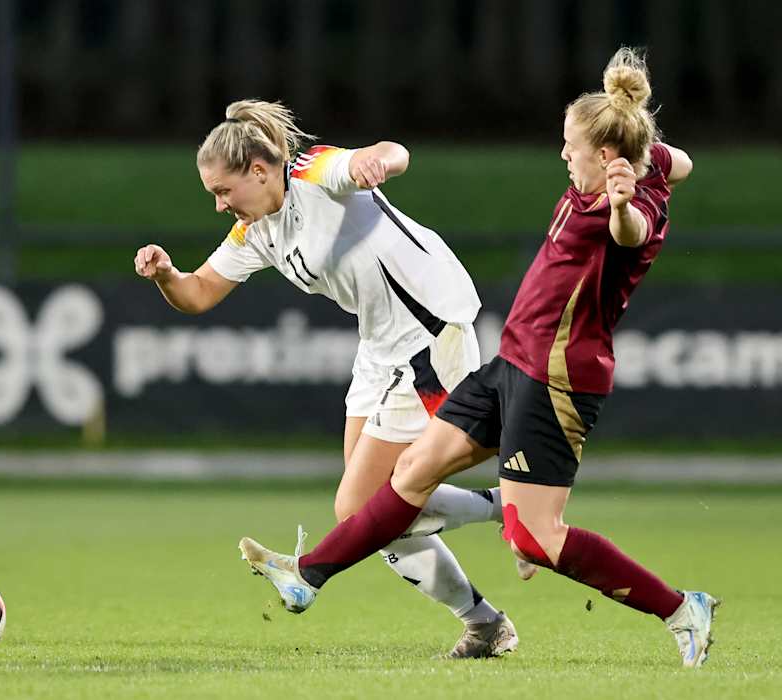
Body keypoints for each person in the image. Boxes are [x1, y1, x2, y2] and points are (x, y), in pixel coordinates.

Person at [239, 49, 720, 669]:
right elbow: (678, 160)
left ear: (604, 157)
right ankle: (309, 575)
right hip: (510, 364)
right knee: (410, 472)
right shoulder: (635, 169)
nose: (563, 154)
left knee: (536, 539)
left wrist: (626, 202)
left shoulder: (632, 207)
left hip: (557, 382)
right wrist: (651, 158)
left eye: (570, 145)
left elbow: (629, 234)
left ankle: (683, 608)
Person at [134, 99, 517, 658]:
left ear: (260, 172)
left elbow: (392, 152)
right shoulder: (257, 229)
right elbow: (197, 293)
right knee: (367, 514)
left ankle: (490, 593)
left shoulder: (312, 173)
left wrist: (376, 163)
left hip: (430, 333)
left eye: (223, 191)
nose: (220, 205)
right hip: (379, 346)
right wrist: (167, 274)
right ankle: (499, 539)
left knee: (362, 510)